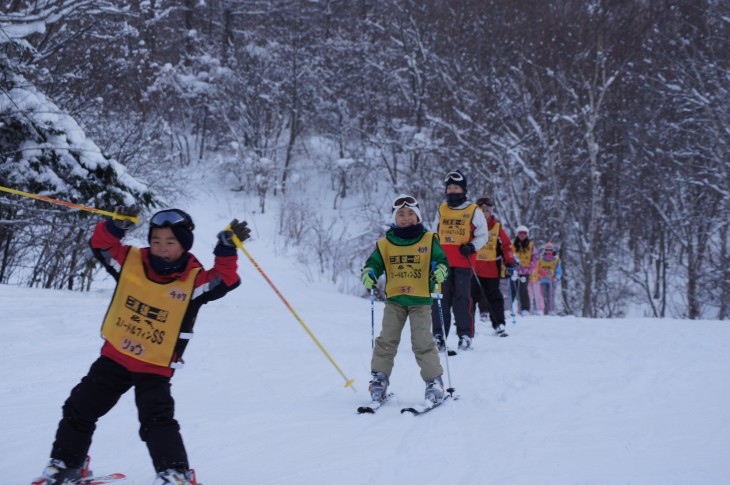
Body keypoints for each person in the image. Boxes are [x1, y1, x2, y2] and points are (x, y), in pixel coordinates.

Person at [34, 208, 250, 485]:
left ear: (184, 245)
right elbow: (101, 246)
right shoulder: (131, 261)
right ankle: (67, 464)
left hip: (154, 366)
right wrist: (114, 227)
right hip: (115, 356)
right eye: (156, 240)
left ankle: (174, 473)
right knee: (79, 407)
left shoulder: (194, 281)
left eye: (170, 242)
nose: (161, 248)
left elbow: (225, 278)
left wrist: (226, 247)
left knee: (156, 421)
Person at [361, 195, 450, 404]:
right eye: (401, 214)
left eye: (411, 213)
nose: (406, 218)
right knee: (386, 341)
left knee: (422, 341)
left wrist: (441, 272)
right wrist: (369, 273)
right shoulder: (385, 244)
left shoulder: (429, 239)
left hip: (421, 301)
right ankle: (379, 379)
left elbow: (441, 261)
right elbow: (374, 264)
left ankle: (434, 382)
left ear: (418, 217)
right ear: (395, 218)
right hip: (395, 301)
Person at [431, 170, 488, 351]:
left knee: (461, 300)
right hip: (442, 263)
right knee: (440, 300)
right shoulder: (442, 208)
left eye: (456, 187)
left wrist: (471, 247)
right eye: (449, 187)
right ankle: (439, 336)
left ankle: (465, 335)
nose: (452, 190)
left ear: (463, 189)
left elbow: (482, 235)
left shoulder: (473, 210)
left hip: (463, 262)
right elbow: (434, 233)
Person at [471, 197, 516, 335]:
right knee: (469, 297)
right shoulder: (471, 226)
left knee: (494, 296)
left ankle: (499, 323)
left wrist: (509, 260)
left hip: (491, 269)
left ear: (491, 211)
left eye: (487, 210)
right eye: (481, 210)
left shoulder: (496, 226)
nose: (485, 213)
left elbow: (506, 246)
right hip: (473, 268)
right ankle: (466, 326)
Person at [512, 225, 539, 316]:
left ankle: (525, 309)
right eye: (520, 233)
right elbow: (509, 255)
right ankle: (510, 308)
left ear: (527, 234)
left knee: (523, 289)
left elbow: (535, 257)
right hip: (514, 271)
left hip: (525, 271)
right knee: (512, 289)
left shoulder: (531, 245)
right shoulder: (513, 245)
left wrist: (531, 266)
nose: (522, 235)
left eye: (524, 233)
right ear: (517, 234)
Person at [537, 242, 563, 315]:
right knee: (543, 295)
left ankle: (551, 310)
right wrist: (538, 276)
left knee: (551, 295)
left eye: (550, 250)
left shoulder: (556, 260)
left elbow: (559, 271)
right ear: (545, 251)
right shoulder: (541, 259)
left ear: (553, 251)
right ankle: (543, 310)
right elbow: (537, 269)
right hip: (543, 280)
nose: (549, 251)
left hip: (552, 281)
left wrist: (556, 278)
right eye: (547, 250)